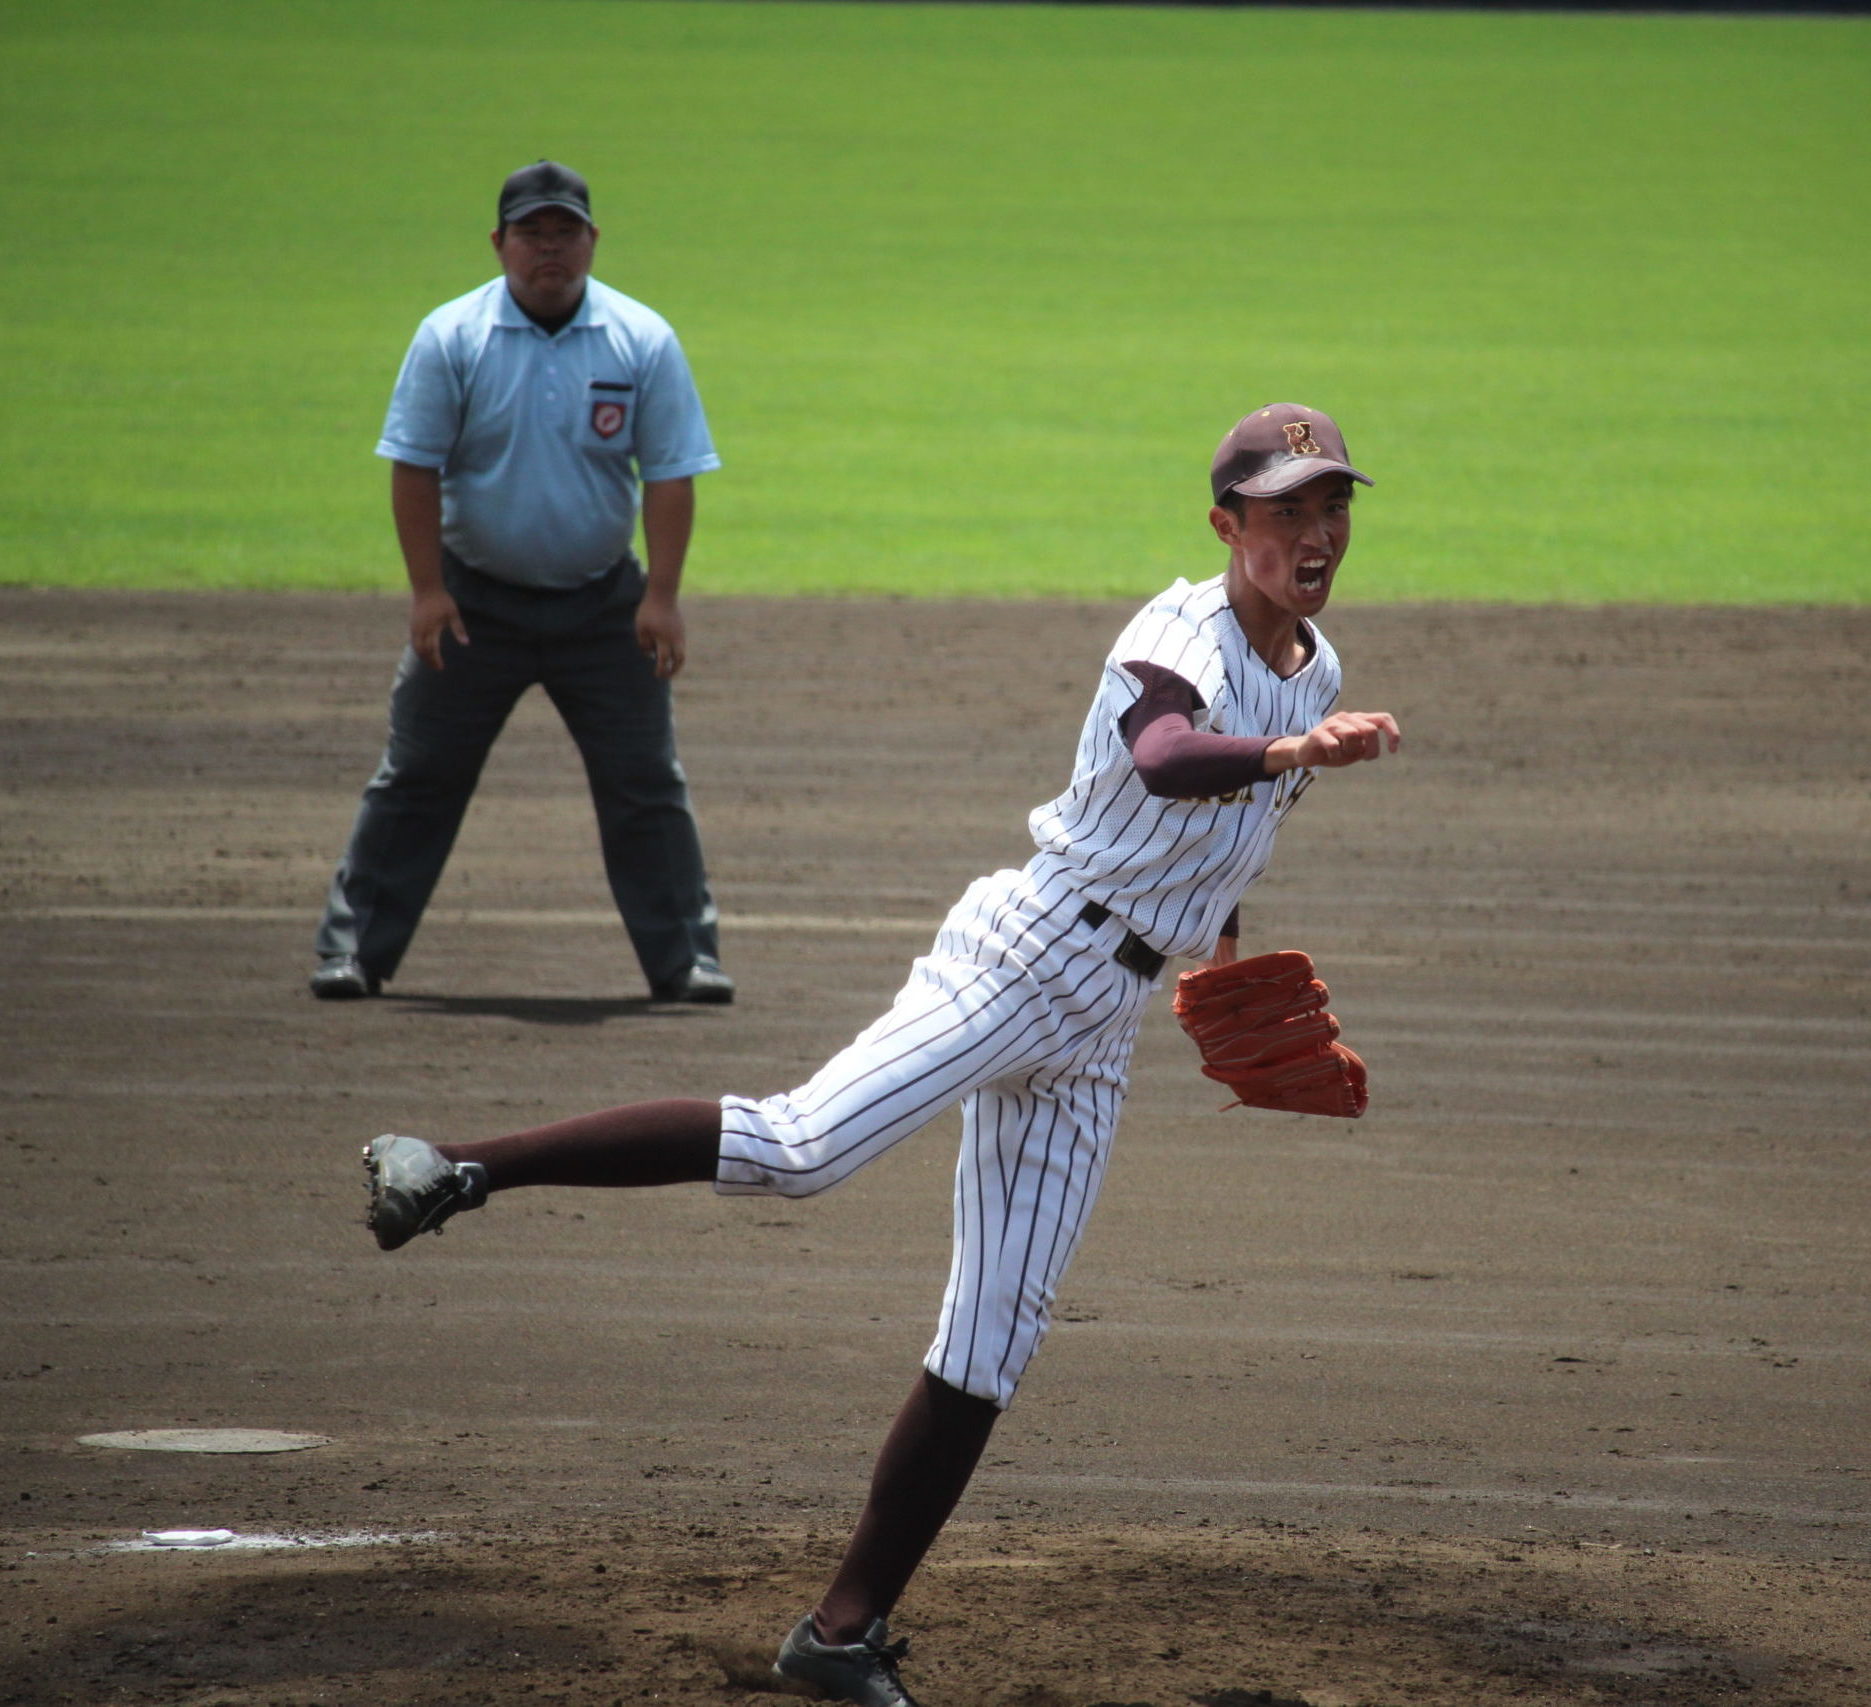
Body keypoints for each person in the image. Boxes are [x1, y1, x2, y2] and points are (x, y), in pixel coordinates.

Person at [358, 404, 1401, 1706]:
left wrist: (1212, 964)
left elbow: (1221, 839)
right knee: (800, 1147)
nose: (1313, 532)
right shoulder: (1176, 631)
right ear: (1224, 525)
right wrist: (1289, 749)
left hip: (1098, 1025)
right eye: (1284, 509)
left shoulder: (1313, 663)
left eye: (1329, 506)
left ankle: (839, 1631)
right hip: (1021, 955)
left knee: (992, 1333)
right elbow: (1166, 753)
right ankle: (453, 1164)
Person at [311, 160, 732, 1005]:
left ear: (591, 240)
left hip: (604, 601)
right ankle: (353, 950)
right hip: (473, 604)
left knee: (646, 781)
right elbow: (414, 467)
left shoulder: (639, 338)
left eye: (565, 231)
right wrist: (427, 590)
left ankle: (685, 959)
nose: (550, 248)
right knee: (419, 773)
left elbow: (674, 473)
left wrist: (662, 598)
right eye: (533, 232)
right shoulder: (451, 337)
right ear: (500, 242)